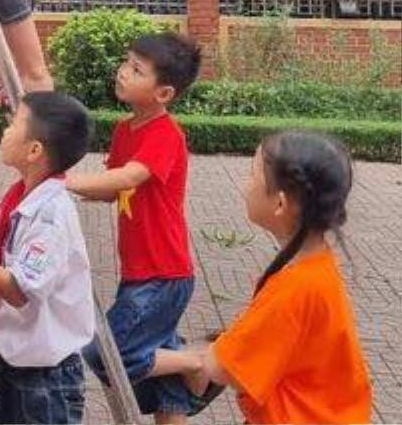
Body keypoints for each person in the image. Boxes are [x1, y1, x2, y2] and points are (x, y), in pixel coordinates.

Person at [179, 131, 372, 424]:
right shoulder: (317, 266)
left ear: (280, 204)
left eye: (252, 175)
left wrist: (181, 358)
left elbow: (222, 368)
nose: (245, 185)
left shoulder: (294, 288)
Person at [65, 32, 202, 424]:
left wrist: (66, 183)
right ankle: (182, 366)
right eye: (126, 63)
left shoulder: (166, 134)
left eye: (137, 70)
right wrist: (64, 191)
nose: (123, 72)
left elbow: (128, 177)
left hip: (164, 272)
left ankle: (196, 362)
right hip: (141, 272)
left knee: (106, 352)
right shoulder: (127, 130)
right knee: (165, 381)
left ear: (164, 93)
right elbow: (111, 190)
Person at [0, 92, 95, 425]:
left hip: (48, 378)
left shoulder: (52, 215)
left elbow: (18, 290)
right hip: (19, 362)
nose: (5, 129)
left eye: (14, 123)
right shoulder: (20, 196)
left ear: (34, 150)